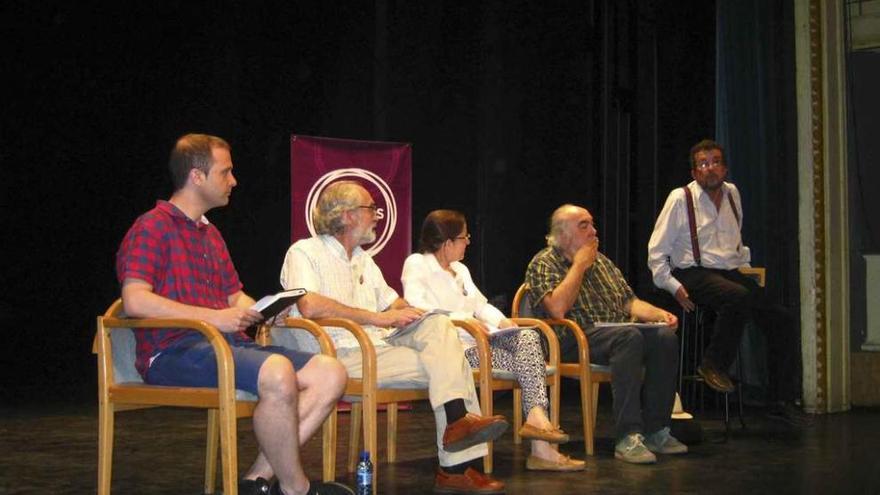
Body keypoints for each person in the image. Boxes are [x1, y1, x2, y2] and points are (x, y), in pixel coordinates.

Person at [116, 134, 352, 495]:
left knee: (330, 373)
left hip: (224, 345)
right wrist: (215, 318)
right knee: (277, 372)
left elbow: (234, 296)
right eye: (225, 172)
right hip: (172, 350)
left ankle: (256, 481)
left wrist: (264, 311)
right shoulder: (151, 226)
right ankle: (296, 488)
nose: (234, 180)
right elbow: (134, 301)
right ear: (197, 176)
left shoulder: (211, 235)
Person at [278, 181, 508, 494]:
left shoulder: (362, 258)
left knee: (439, 326)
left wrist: (410, 312)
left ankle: (458, 426)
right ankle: (457, 464)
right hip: (338, 353)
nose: (377, 215)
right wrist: (377, 317)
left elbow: (391, 303)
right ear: (346, 216)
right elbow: (310, 305)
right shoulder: (305, 251)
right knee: (450, 364)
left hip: (377, 346)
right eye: (371, 209)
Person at [401, 210, 585, 472]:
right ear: (447, 242)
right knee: (529, 362)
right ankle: (541, 447)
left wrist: (503, 323)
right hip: (455, 350)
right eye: (464, 237)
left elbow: (481, 304)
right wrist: (463, 319)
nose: (468, 242)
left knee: (528, 335)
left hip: (481, 340)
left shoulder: (460, 270)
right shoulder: (418, 264)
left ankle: (536, 418)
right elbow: (418, 306)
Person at [647, 139, 810, 425]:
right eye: (703, 163)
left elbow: (736, 243)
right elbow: (656, 252)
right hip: (693, 273)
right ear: (695, 171)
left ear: (725, 168)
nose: (710, 168)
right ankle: (713, 365)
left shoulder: (733, 194)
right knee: (737, 296)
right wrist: (672, 286)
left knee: (781, 319)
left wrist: (748, 274)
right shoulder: (680, 198)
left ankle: (779, 400)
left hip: (729, 273)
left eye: (715, 162)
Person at [524, 204, 686, 465]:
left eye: (592, 224)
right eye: (584, 225)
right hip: (569, 339)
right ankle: (627, 436)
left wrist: (659, 315)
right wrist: (578, 266)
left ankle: (656, 430)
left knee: (664, 337)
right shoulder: (543, 262)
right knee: (629, 337)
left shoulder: (602, 263)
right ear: (563, 235)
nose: (594, 231)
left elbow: (629, 303)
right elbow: (557, 309)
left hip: (613, 333)